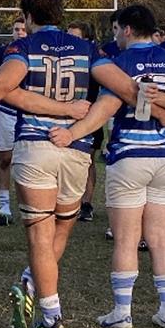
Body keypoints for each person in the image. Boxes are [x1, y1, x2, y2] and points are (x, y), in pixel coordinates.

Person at [0, 0, 142, 328]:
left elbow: (2, 86)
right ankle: (38, 291)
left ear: (28, 18)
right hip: (77, 150)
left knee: (41, 236)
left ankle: (50, 312)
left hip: (35, 148)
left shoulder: (23, 47)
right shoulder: (88, 49)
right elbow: (129, 90)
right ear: (59, 16)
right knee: (60, 230)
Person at [50, 5, 165, 328]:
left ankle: (123, 311)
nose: (116, 35)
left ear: (128, 29)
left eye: (117, 29)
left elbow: (105, 109)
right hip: (164, 156)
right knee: (160, 237)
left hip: (129, 156)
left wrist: (72, 133)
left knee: (127, 240)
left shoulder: (121, 62)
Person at [65, 19, 103, 223]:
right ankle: (68, 201)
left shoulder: (95, 60)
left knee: (88, 160)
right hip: (63, 115)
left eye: (75, 37)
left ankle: (86, 203)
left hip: (88, 115)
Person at [0, 17, 27, 225]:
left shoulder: (33, 50)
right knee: (5, 158)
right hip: (6, 111)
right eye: (16, 29)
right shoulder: (1, 53)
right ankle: (4, 203)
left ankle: (28, 203)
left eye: (23, 29)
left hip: (29, 112)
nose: (20, 32)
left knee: (28, 160)